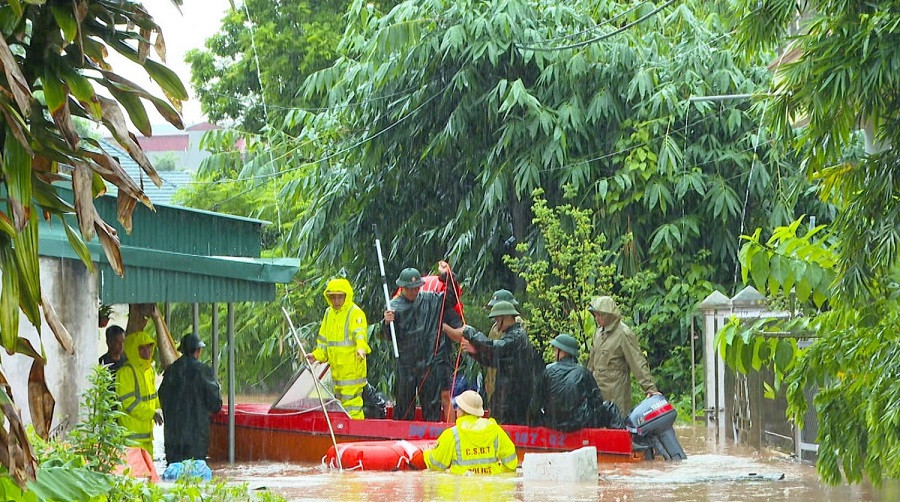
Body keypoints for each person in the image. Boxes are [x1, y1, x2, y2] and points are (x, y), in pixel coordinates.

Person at [383, 261, 461, 422]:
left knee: (432, 405)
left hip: (429, 363)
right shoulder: (394, 306)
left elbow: (452, 298)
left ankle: (433, 438)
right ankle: (401, 438)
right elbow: (388, 337)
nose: (413, 291)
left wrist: (446, 275)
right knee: (404, 405)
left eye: (416, 287)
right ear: (402, 288)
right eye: (409, 288)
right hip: (406, 363)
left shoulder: (431, 300)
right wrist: (386, 323)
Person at [457, 301, 535, 425]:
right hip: (508, 393)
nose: (497, 325)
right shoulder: (512, 336)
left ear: (507, 317)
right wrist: (475, 352)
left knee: (505, 426)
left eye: (498, 320)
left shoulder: (517, 336)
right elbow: (495, 360)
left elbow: (494, 347)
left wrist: (472, 334)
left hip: (513, 397)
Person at [530, 334, 624, 431]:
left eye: (555, 350)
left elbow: (535, 404)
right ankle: (620, 441)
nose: (554, 353)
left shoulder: (548, 372)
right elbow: (597, 401)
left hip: (553, 424)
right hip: (579, 424)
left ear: (563, 352)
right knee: (610, 407)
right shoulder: (583, 372)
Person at [306, 278, 370, 419]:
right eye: (333, 297)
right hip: (336, 371)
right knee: (339, 406)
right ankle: (342, 431)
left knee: (352, 406)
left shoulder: (355, 313)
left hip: (352, 371)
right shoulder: (329, 313)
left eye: (339, 297)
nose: (336, 301)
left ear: (346, 296)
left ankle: (355, 433)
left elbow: (360, 334)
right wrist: (316, 355)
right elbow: (323, 341)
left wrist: (361, 348)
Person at [586, 296, 660, 417]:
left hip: (616, 395)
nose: (596, 318)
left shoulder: (623, 334)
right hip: (597, 393)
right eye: (595, 315)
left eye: (600, 315)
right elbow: (591, 363)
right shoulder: (598, 334)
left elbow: (637, 362)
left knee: (616, 429)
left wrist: (651, 389)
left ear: (608, 315)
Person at [158, 334, 223, 465]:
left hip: (173, 438)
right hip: (196, 438)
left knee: (174, 473)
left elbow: (162, 396)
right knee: (195, 476)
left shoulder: (171, 371)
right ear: (198, 351)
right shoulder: (203, 371)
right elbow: (215, 403)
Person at [424, 390, 517, 475]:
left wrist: (427, 453)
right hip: (490, 489)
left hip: (461, 488)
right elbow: (511, 464)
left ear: (461, 410)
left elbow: (435, 466)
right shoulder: (495, 430)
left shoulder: (452, 434)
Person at [116, 331, 163, 455]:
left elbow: (153, 397)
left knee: (149, 472)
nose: (147, 351)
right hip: (131, 439)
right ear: (133, 350)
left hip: (146, 436)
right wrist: (151, 414)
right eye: (141, 348)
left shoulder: (149, 370)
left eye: (149, 346)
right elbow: (129, 402)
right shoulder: (126, 372)